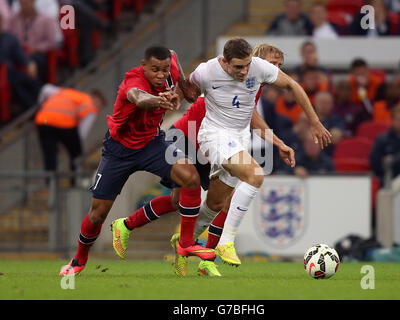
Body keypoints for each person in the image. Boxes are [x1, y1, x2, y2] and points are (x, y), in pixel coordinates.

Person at [111, 43, 296, 277]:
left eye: (280, 65)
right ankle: (132, 228)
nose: (277, 70)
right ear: (255, 62)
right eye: (273, 64)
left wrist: (278, 143)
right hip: (187, 136)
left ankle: (201, 255)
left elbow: (251, 118)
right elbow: (246, 116)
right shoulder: (233, 79)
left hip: (209, 147)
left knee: (215, 202)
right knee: (188, 199)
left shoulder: (252, 87)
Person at [59, 46, 215, 276]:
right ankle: (78, 260)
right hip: (119, 151)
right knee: (98, 214)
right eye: (154, 70)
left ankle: (185, 243)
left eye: (164, 70)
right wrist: (160, 99)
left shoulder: (169, 65)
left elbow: (173, 54)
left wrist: (181, 83)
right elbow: (138, 98)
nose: (161, 75)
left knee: (190, 177)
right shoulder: (133, 80)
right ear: (143, 66)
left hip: (152, 144)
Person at [189, 38, 331, 267]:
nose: (245, 72)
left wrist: (311, 123)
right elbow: (187, 91)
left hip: (238, 140)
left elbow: (293, 86)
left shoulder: (258, 71)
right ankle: (226, 242)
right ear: (225, 62)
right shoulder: (206, 71)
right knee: (255, 175)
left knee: (215, 204)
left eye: (247, 66)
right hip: (212, 135)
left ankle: (185, 240)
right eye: (238, 67)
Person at [34, 88, 106, 182]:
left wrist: (41, 104)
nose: (98, 108)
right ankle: (74, 181)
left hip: (44, 120)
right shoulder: (90, 105)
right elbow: (82, 133)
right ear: (96, 99)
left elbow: (45, 89)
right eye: (100, 105)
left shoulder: (67, 92)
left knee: (50, 154)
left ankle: (50, 182)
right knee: (76, 154)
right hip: (64, 123)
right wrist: (72, 143)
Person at [7, 0, 58, 82]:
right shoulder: (13, 20)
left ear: (33, 2)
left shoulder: (46, 19)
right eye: (22, 3)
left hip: (37, 53)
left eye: (27, 3)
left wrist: (36, 48)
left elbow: (51, 42)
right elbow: (8, 37)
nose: (25, 6)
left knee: (34, 62)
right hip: (18, 52)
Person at [0, 13, 41, 111]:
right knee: (16, 82)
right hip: (5, 74)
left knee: (30, 79)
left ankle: (39, 106)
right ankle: (32, 108)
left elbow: (19, 54)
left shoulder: (9, 38)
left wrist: (29, 63)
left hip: (9, 73)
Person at [370, 106, 400, 186]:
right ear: (391, 121)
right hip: (387, 178)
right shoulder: (382, 139)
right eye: (397, 120)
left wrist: (391, 160)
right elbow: (375, 162)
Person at [313, 91, 345, 157]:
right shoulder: (306, 118)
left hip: (328, 156)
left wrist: (312, 137)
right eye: (321, 102)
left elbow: (336, 137)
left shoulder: (336, 120)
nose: (323, 105)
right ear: (315, 103)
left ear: (332, 105)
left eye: (327, 103)